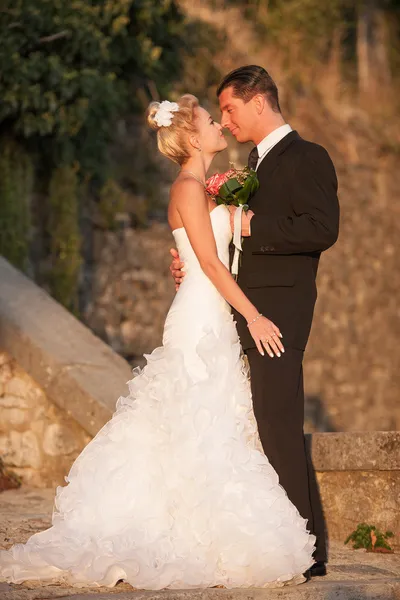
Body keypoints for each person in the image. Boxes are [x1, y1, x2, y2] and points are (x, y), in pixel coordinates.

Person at [0, 93, 315, 588]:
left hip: (210, 311)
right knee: (192, 418)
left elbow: (204, 253)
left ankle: (207, 527)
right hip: (199, 315)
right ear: (193, 136)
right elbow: (209, 264)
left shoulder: (207, 189)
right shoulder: (189, 187)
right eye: (212, 121)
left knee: (212, 420)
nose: (219, 126)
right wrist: (253, 314)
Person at [170, 66, 340, 578]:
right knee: (258, 424)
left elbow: (321, 228)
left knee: (278, 423)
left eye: (230, 108)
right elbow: (212, 241)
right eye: (219, 112)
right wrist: (192, 258)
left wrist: (248, 224)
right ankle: (281, 539)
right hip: (241, 310)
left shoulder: (308, 157)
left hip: (277, 313)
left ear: (259, 102)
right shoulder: (251, 162)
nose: (225, 119)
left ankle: (306, 552)